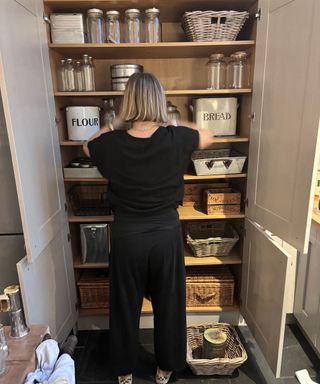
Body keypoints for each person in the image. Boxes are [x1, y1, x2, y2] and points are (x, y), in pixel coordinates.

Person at [83, 73, 212, 384]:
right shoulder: (176, 138)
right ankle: (166, 368)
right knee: (169, 305)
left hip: (127, 236)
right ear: (158, 101)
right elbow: (207, 135)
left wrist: (116, 121)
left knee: (125, 306)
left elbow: (87, 146)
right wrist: (170, 121)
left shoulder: (111, 142)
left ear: (129, 103)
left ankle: (124, 372)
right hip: (165, 235)